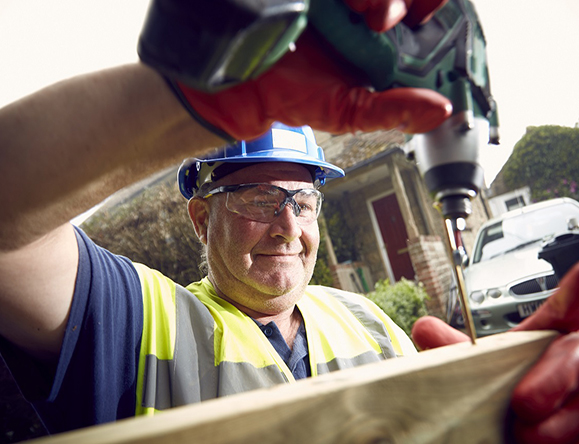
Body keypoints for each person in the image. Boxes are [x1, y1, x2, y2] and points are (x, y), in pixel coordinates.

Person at [1, 0, 579, 442]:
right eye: (258, 198)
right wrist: (197, 100)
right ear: (201, 219)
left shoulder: (367, 320)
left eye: (302, 201)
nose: (287, 226)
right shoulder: (143, 319)